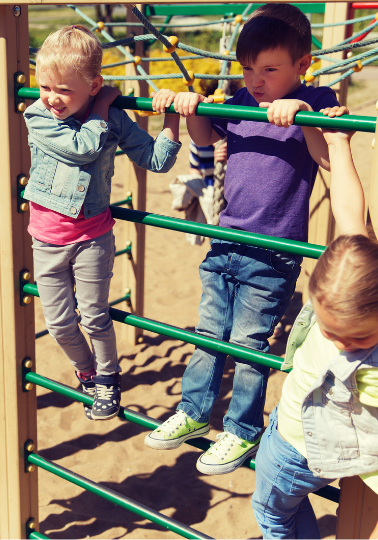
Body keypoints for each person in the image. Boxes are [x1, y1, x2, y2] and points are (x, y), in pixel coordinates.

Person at [144, 4, 343, 476]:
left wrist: (304, 115)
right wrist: (189, 106)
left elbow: (329, 158)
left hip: (274, 252)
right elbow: (203, 136)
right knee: (209, 336)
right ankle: (194, 413)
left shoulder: (316, 98)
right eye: (249, 69)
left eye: (269, 70)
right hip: (225, 240)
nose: (256, 81)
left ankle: (241, 430)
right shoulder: (239, 100)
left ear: (302, 64)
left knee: (249, 345)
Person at [24, 25, 181, 421]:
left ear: (94, 85)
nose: (52, 98)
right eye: (45, 86)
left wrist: (172, 118)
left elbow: (156, 160)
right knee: (59, 323)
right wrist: (98, 109)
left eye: (64, 90)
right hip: (46, 239)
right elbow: (82, 149)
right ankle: (86, 370)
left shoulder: (111, 116)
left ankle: (108, 379)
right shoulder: (38, 115)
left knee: (94, 316)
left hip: (92, 236)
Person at [252, 109, 378, 539]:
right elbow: (350, 214)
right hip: (304, 437)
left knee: (271, 515)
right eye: (328, 329)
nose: (342, 343)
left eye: (358, 336)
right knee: (289, 509)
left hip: (295, 450)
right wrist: (339, 143)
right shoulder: (359, 278)